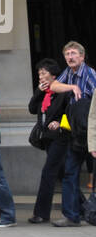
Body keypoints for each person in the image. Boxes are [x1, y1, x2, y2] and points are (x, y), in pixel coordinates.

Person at [47, 40, 96, 226]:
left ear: (82, 57)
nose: (70, 57)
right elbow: (53, 86)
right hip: (76, 132)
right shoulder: (70, 73)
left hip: (91, 132)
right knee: (70, 172)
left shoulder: (90, 75)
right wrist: (72, 87)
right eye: (67, 54)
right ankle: (71, 215)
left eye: (74, 53)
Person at [28, 58, 70, 224]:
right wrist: (38, 91)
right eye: (39, 73)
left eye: (44, 73)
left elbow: (70, 111)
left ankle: (41, 213)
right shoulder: (44, 92)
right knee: (64, 173)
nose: (41, 76)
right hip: (47, 138)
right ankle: (81, 207)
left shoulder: (63, 91)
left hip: (60, 137)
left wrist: (60, 123)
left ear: (53, 75)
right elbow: (32, 109)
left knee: (48, 173)